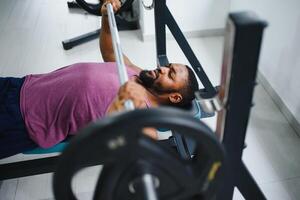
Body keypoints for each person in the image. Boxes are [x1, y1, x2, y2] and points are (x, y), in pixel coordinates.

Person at [0, 0, 199, 159]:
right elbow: (111, 51)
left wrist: (125, 104)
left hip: (24, 119)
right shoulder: (138, 75)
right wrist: (106, 17)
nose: (162, 68)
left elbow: (138, 145)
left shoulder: (142, 118)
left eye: (170, 74)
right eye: (168, 66)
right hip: (23, 86)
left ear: (174, 97)